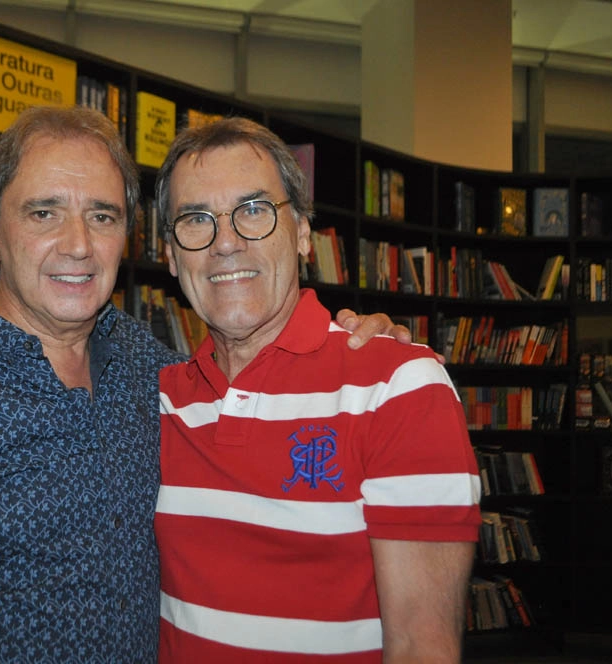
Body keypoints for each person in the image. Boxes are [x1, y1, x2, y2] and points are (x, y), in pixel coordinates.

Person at [0, 105, 413, 662]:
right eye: (45, 212)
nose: (77, 244)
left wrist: (357, 345)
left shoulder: (160, 374)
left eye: (102, 216)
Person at [152, 117, 481, 663]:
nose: (226, 242)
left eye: (254, 211)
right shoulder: (159, 399)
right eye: (195, 220)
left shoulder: (399, 387)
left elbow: (422, 647)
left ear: (303, 234)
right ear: (170, 254)